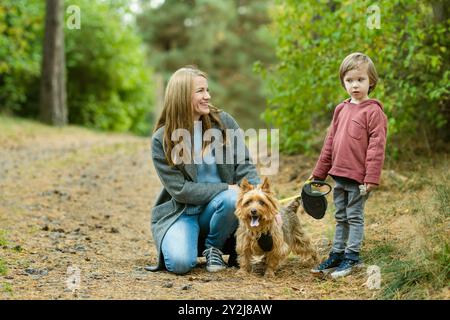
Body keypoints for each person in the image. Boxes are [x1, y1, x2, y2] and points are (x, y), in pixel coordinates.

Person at [147, 66, 260, 274]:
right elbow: (181, 190)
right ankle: (189, 243)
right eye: (200, 91)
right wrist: (227, 186)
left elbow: (245, 165)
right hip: (184, 212)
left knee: (229, 199)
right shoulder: (161, 139)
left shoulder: (224, 122)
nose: (207, 96)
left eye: (207, 90)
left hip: (224, 209)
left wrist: (260, 198)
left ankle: (213, 248)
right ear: (182, 96)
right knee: (179, 264)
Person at [309, 53, 387, 278]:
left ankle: (352, 258)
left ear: (370, 81)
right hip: (339, 175)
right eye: (349, 80)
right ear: (343, 81)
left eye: (360, 80)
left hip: (359, 179)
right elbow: (330, 143)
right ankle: (337, 253)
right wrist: (319, 174)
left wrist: (371, 178)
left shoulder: (373, 112)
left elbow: (376, 147)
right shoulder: (341, 109)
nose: (355, 85)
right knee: (340, 216)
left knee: (354, 216)